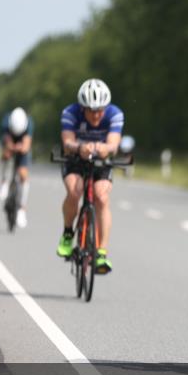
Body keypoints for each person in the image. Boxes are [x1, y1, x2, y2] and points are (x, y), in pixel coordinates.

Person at [56, 79, 124, 274]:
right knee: (74, 191)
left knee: (102, 197)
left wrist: (105, 148)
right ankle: (68, 233)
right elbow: (67, 142)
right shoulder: (70, 113)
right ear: (82, 107)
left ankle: (101, 252)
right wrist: (79, 147)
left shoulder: (115, 113)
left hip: (101, 161)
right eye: (91, 110)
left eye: (100, 110)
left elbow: (113, 144)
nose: (96, 115)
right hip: (75, 159)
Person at [0, 107, 34, 228]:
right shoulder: (6, 121)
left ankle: (22, 209)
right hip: (10, 142)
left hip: (22, 144)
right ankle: (4, 182)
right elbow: (7, 141)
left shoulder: (29, 124)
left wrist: (21, 147)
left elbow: (27, 145)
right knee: (6, 155)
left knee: (23, 174)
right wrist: (11, 147)